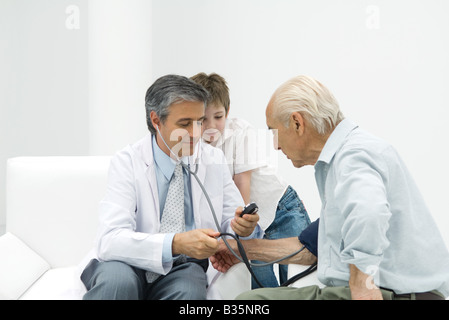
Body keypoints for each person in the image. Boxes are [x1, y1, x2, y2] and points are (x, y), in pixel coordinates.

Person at [213, 75, 449, 300]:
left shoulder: (353, 155)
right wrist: (237, 248)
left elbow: (369, 214)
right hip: (400, 292)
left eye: (274, 132)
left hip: (392, 293)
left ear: (297, 123)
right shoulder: (343, 159)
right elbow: (309, 249)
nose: (274, 145)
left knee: (250, 303)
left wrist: (362, 285)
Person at [80, 74, 260, 300]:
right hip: (126, 261)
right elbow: (110, 239)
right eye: (184, 124)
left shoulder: (213, 159)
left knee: (189, 292)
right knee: (117, 285)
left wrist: (242, 226)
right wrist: (175, 243)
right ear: (156, 120)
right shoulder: (127, 162)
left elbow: (229, 222)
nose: (196, 133)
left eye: (199, 121)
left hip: (183, 267)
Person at [191, 72, 311, 288]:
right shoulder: (192, 145)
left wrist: (238, 230)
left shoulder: (240, 131)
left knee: (298, 280)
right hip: (251, 226)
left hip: (280, 209)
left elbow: (241, 183)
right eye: (203, 119)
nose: (211, 126)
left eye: (218, 117)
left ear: (227, 112)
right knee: (260, 284)